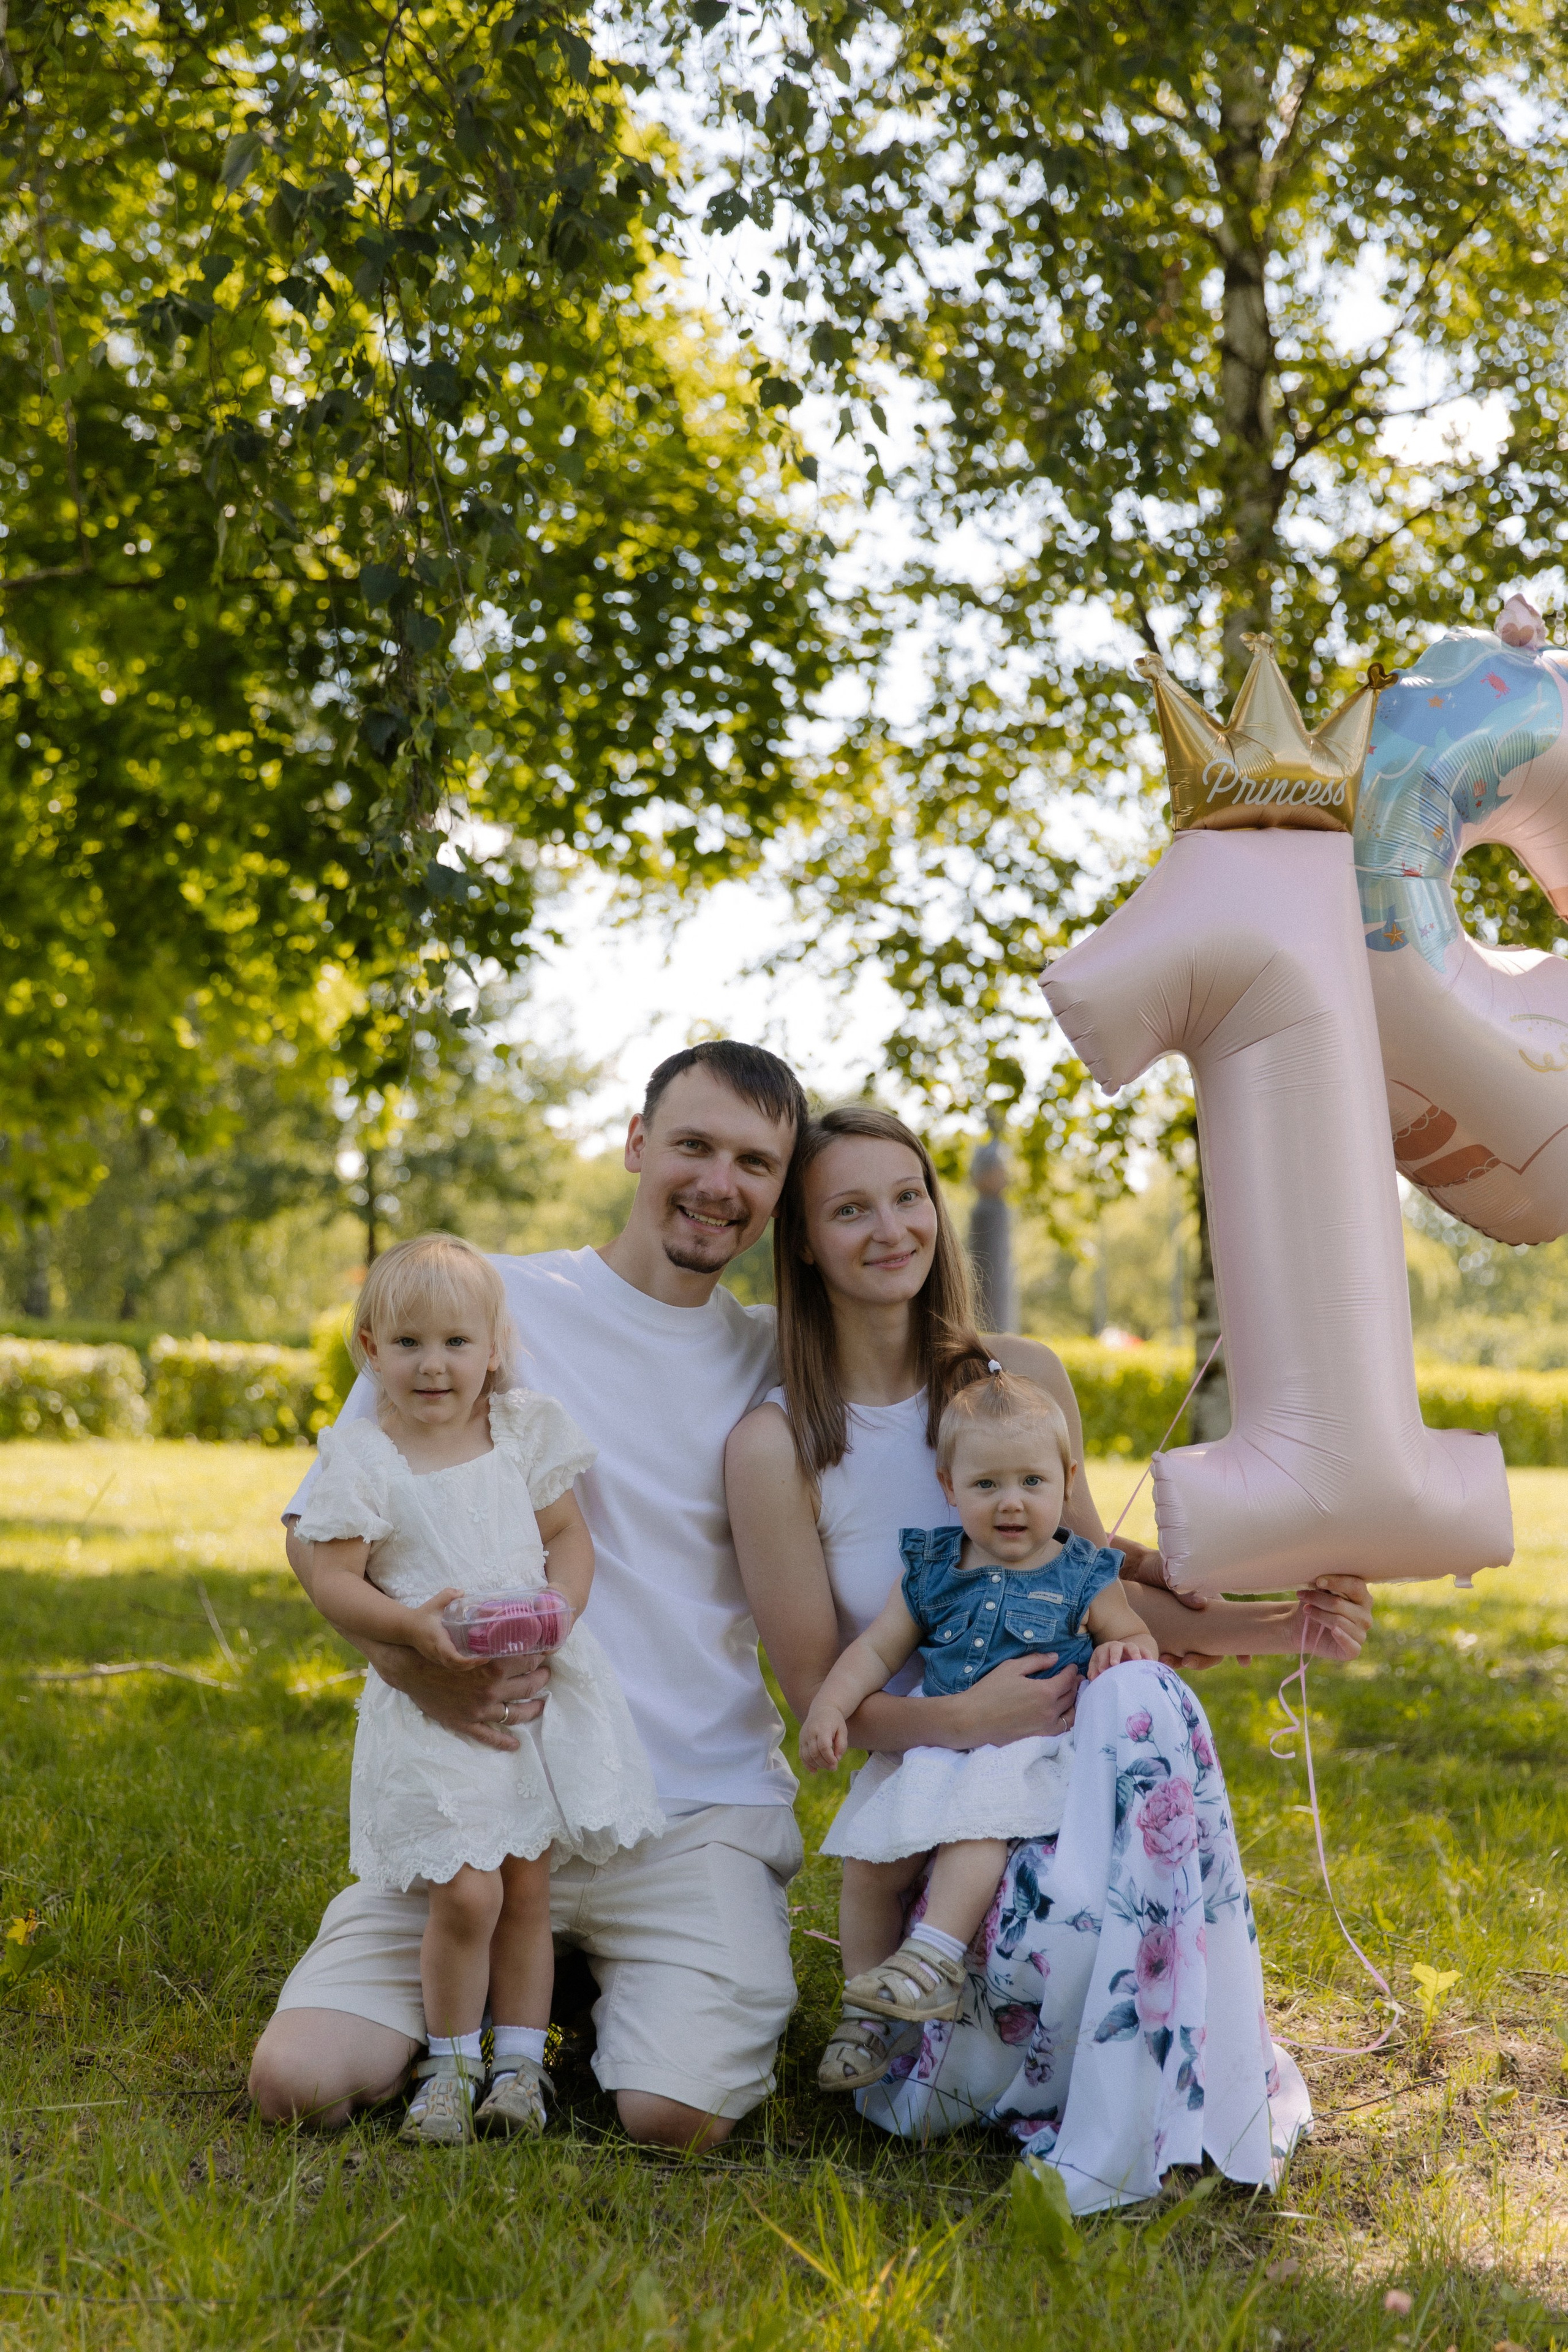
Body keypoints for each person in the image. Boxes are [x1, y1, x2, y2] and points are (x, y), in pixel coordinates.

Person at [725, 1104, 1373, 2209]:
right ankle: (918, 2023)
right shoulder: (779, 1441)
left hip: (1077, 1763)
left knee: (1146, 1699)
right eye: (849, 1209)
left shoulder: (1015, 1379)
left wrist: (1279, 1626)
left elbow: (1093, 1600)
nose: (892, 1228)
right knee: (1059, 1845)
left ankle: (1160, 2085)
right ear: (801, 1242)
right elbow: (822, 1700)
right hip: (935, 1794)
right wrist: (969, 1721)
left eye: (909, 1196)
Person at [249, 1041, 808, 2151]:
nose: (719, 1183)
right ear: (638, 1142)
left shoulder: (779, 1357)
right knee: (298, 2083)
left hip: (688, 1809)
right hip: (481, 1789)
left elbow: (957, 1372)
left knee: (673, 2115)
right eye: (693, 1144)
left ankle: (588, 1986)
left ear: (781, 1191)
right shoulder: (479, 1304)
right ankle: (510, 1993)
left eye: (756, 1162)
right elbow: (320, 1538)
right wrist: (419, 1667)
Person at [293, 1233, 663, 2144]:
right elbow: (336, 1577)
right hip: (435, 1708)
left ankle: (519, 2068)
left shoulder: (520, 1431)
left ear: (493, 1348)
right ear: (371, 1350)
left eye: (457, 1342)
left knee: (528, 1888)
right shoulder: (364, 1456)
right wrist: (407, 1627)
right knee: (469, 1894)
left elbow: (569, 1537)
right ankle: (450, 2063)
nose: (434, 1365)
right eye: (409, 1343)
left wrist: (560, 1611)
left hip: (532, 1697)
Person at [801, 1368, 1157, 2067]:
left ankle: (931, 1957)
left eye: (1031, 1481)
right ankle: (865, 2019)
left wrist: (1119, 1648)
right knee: (870, 1867)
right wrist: (831, 1705)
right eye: (986, 1484)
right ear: (948, 1488)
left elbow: (1137, 1635)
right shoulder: (933, 1568)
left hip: (1025, 1758)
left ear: (1067, 1481)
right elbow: (876, 1649)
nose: (1011, 1503)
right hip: (934, 1751)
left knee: (977, 1837)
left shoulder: (1084, 1573)